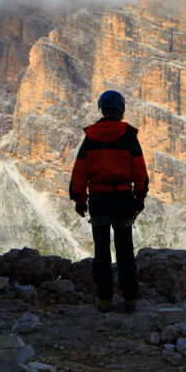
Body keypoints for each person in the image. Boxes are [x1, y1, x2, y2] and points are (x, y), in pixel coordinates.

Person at [69, 90, 149, 313]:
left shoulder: (91, 137)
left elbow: (79, 173)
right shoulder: (129, 136)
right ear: (121, 110)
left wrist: (79, 199)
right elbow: (140, 170)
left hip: (98, 198)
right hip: (123, 198)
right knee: (125, 249)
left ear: (101, 109)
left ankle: (104, 300)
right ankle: (130, 299)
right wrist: (140, 197)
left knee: (101, 249)